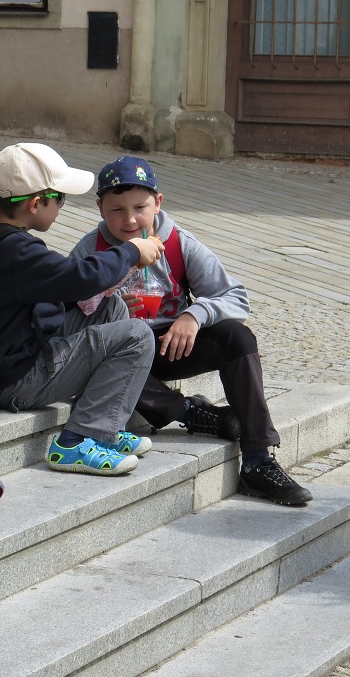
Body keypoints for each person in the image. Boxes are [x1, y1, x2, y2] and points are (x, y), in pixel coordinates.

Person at [71, 156, 312, 506]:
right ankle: (191, 413)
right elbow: (67, 317)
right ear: (99, 209)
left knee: (237, 338)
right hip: (122, 351)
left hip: (171, 343)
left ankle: (258, 460)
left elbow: (236, 296)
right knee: (99, 364)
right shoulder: (89, 251)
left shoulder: (177, 243)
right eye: (116, 210)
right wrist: (112, 305)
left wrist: (194, 315)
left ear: (158, 202)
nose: (130, 219)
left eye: (140, 207)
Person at [0, 143, 165, 476]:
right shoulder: (20, 252)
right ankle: (77, 440)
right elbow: (82, 275)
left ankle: (103, 423)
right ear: (36, 204)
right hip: (16, 381)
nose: (62, 206)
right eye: (59, 198)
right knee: (137, 335)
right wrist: (132, 251)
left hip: (6, 362)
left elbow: (65, 290)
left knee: (110, 308)